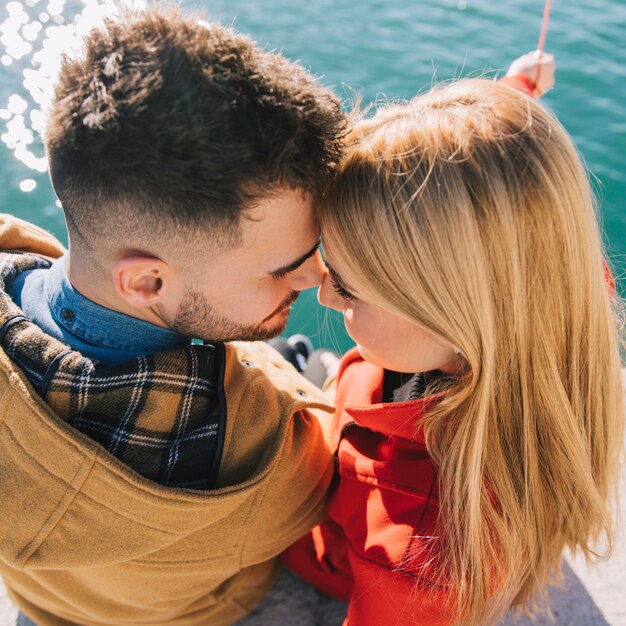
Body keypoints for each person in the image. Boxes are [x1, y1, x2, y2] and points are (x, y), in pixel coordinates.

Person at [0, 6, 347, 626]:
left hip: (44, 604)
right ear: (148, 281)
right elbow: (327, 496)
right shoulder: (259, 446)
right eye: (282, 268)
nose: (316, 276)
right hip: (193, 612)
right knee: (314, 361)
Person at [282, 58, 624, 625]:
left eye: (348, 289)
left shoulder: (417, 552)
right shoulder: (551, 286)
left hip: (327, 554)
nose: (324, 297)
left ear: (454, 316)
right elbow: (500, 168)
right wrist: (518, 89)